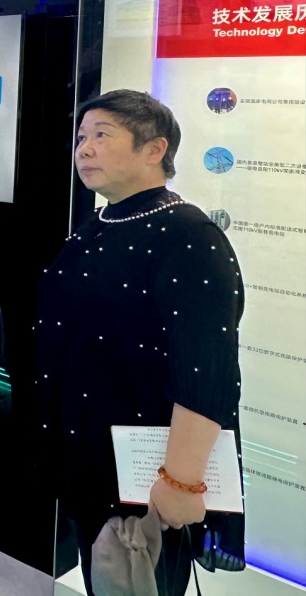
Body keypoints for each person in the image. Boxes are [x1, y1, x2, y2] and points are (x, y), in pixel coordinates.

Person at [36, 90, 245, 595]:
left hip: (148, 473)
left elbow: (205, 373)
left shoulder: (189, 235)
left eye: (101, 136)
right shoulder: (103, 221)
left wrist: (181, 482)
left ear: (154, 149)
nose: (84, 149)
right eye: (81, 138)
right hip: (92, 453)